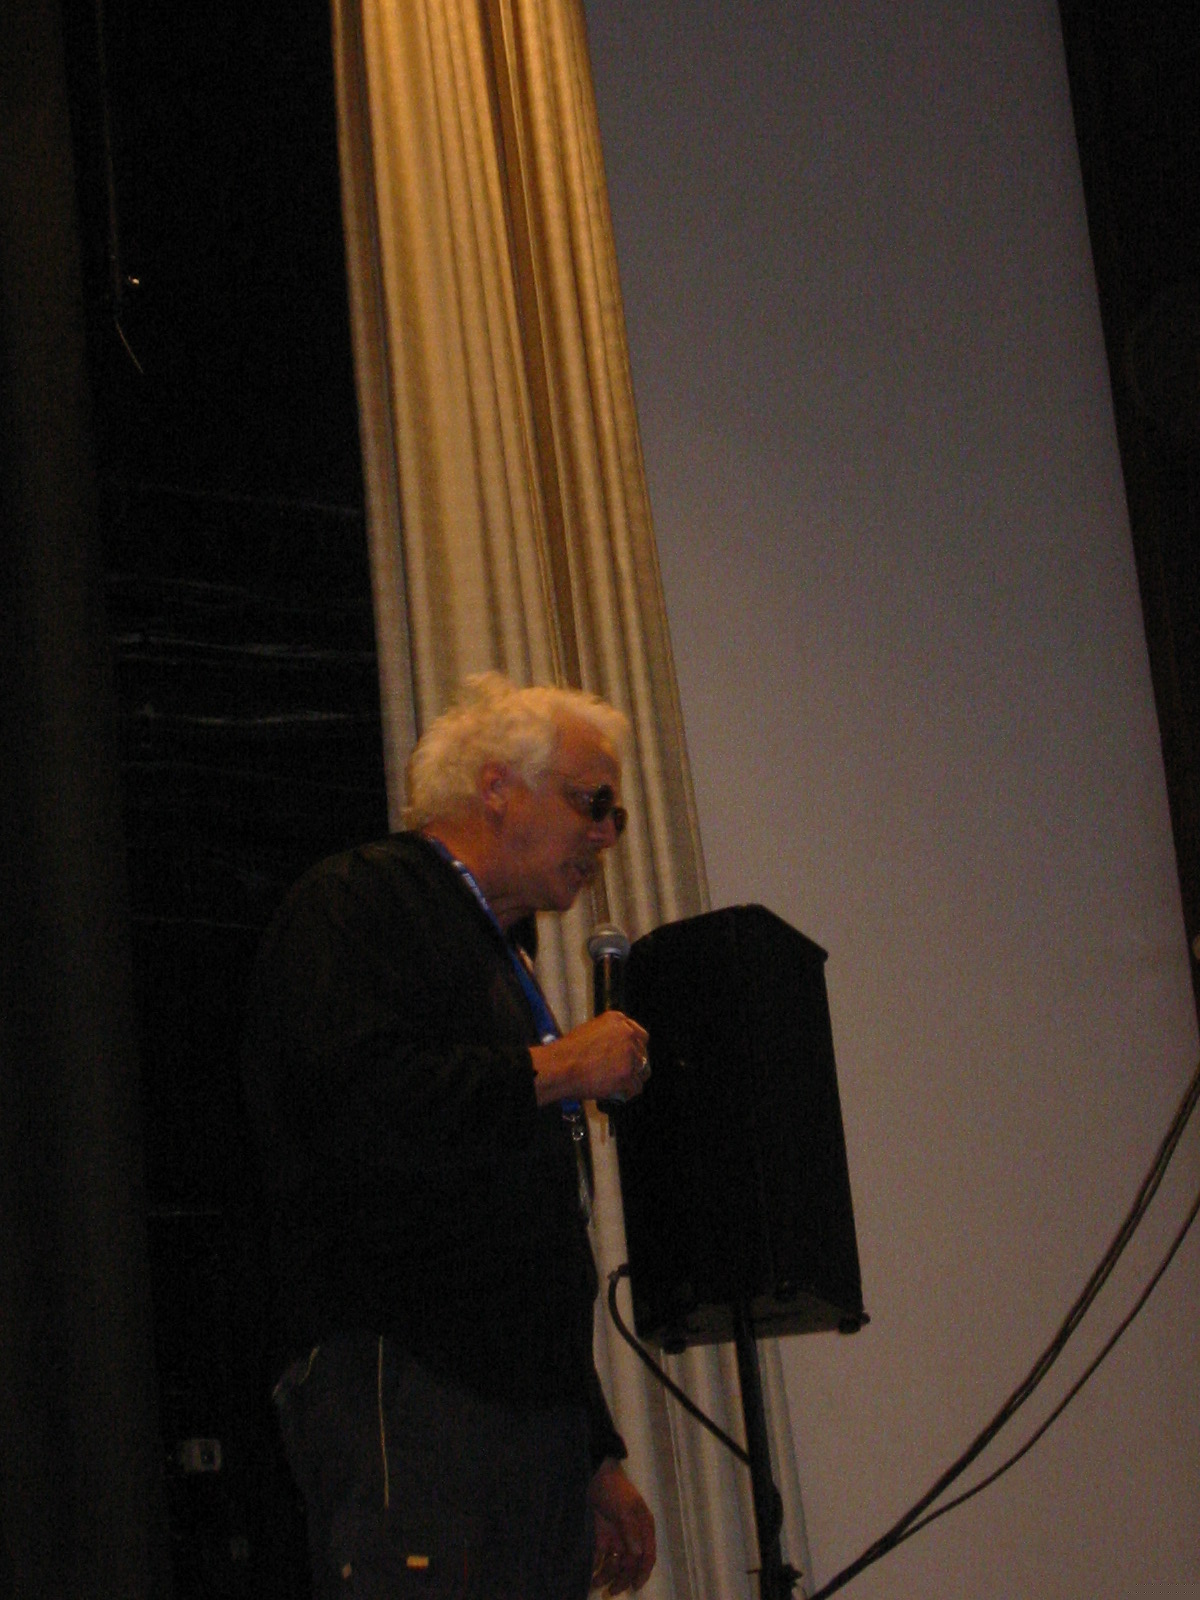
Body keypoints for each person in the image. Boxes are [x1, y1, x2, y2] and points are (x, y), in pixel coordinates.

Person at [243, 673, 657, 1599]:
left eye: (617, 815)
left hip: (527, 1422)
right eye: (592, 803)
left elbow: (529, 1233)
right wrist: (560, 1067)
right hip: (407, 1375)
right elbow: (358, 1104)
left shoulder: (505, 960)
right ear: (497, 787)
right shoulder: (360, 899)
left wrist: (592, 1452)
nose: (606, 835)